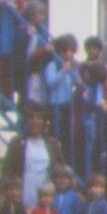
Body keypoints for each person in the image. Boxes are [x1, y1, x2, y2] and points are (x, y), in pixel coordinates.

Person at [2, 106, 65, 210]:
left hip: (46, 195)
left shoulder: (53, 143)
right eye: (31, 117)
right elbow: (7, 170)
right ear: (26, 121)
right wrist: (4, 193)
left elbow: (61, 169)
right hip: (24, 192)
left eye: (39, 118)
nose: (35, 121)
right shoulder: (17, 142)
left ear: (44, 122)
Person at [42, 33, 81, 165]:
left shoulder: (70, 65)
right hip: (56, 104)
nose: (71, 54)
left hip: (67, 103)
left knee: (67, 135)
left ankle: (66, 162)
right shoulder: (53, 65)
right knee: (56, 134)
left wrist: (76, 73)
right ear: (60, 51)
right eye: (68, 51)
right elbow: (51, 82)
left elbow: (74, 83)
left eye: (73, 51)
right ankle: (54, 161)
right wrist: (63, 71)